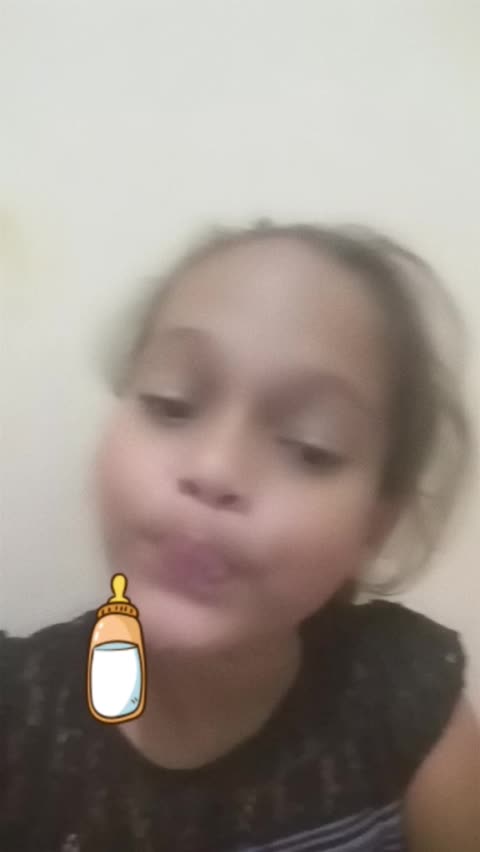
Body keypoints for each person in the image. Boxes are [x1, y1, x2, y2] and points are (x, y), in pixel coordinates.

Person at [1, 221, 479, 851]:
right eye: (172, 404)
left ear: (374, 525)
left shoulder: (403, 697)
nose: (215, 469)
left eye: (311, 446)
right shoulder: (17, 721)